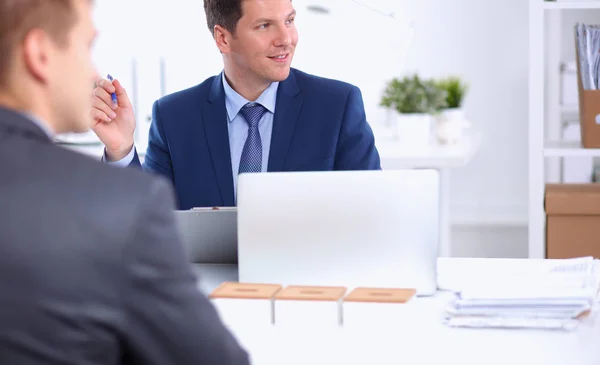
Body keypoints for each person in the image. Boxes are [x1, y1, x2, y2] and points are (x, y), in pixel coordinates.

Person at [0, 0, 250, 364]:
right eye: (86, 47)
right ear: (40, 55)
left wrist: (120, 148)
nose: (94, 72)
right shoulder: (118, 204)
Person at [90, 0, 381, 209]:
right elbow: (143, 226)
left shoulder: (337, 106)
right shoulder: (174, 117)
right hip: (207, 288)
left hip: (306, 286)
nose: (286, 39)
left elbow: (373, 214)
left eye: (289, 20)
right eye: (265, 25)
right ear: (223, 38)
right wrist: (120, 150)